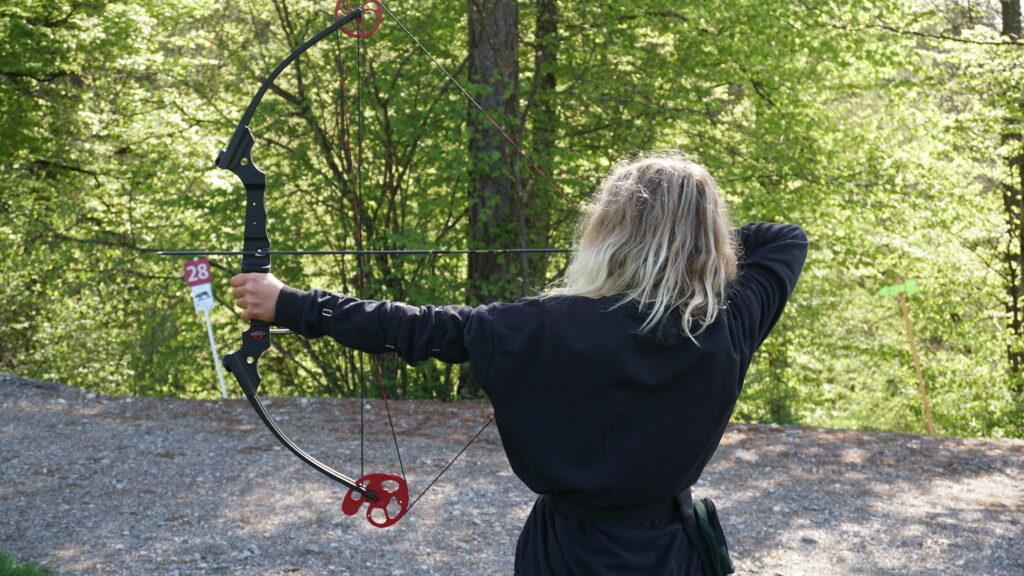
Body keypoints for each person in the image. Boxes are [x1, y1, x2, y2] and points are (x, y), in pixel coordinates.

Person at [230, 151, 808, 575]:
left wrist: (287, 304)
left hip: (568, 554)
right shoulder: (725, 325)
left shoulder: (542, 325)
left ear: (608, 230)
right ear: (708, 240)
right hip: (673, 553)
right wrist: (690, 234)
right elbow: (785, 238)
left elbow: (412, 327)